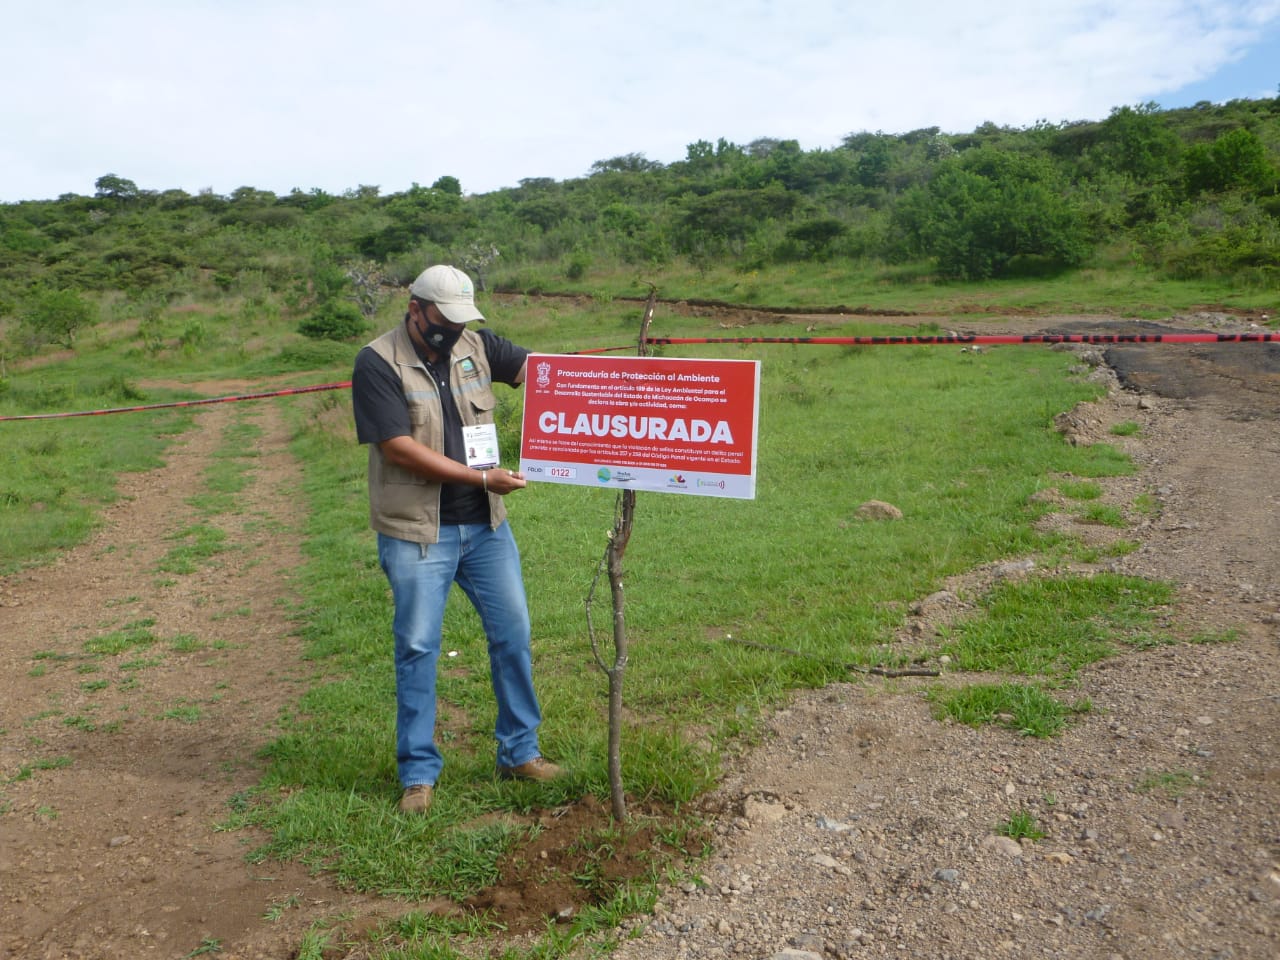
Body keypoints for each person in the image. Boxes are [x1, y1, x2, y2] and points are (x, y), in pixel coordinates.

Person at [350, 264, 562, 815]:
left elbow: (545, 375)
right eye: (441, 321)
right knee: (418, 648)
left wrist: (622, 387)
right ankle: (418, 774)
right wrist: (482, 478)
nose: (450, 332)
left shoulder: (478, 344)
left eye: (459, 321)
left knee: (513, 633)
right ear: (415, 309)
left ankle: (520, 752)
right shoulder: (377, 361)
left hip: (486, 528)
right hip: (419, 533)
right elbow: (398, 446)